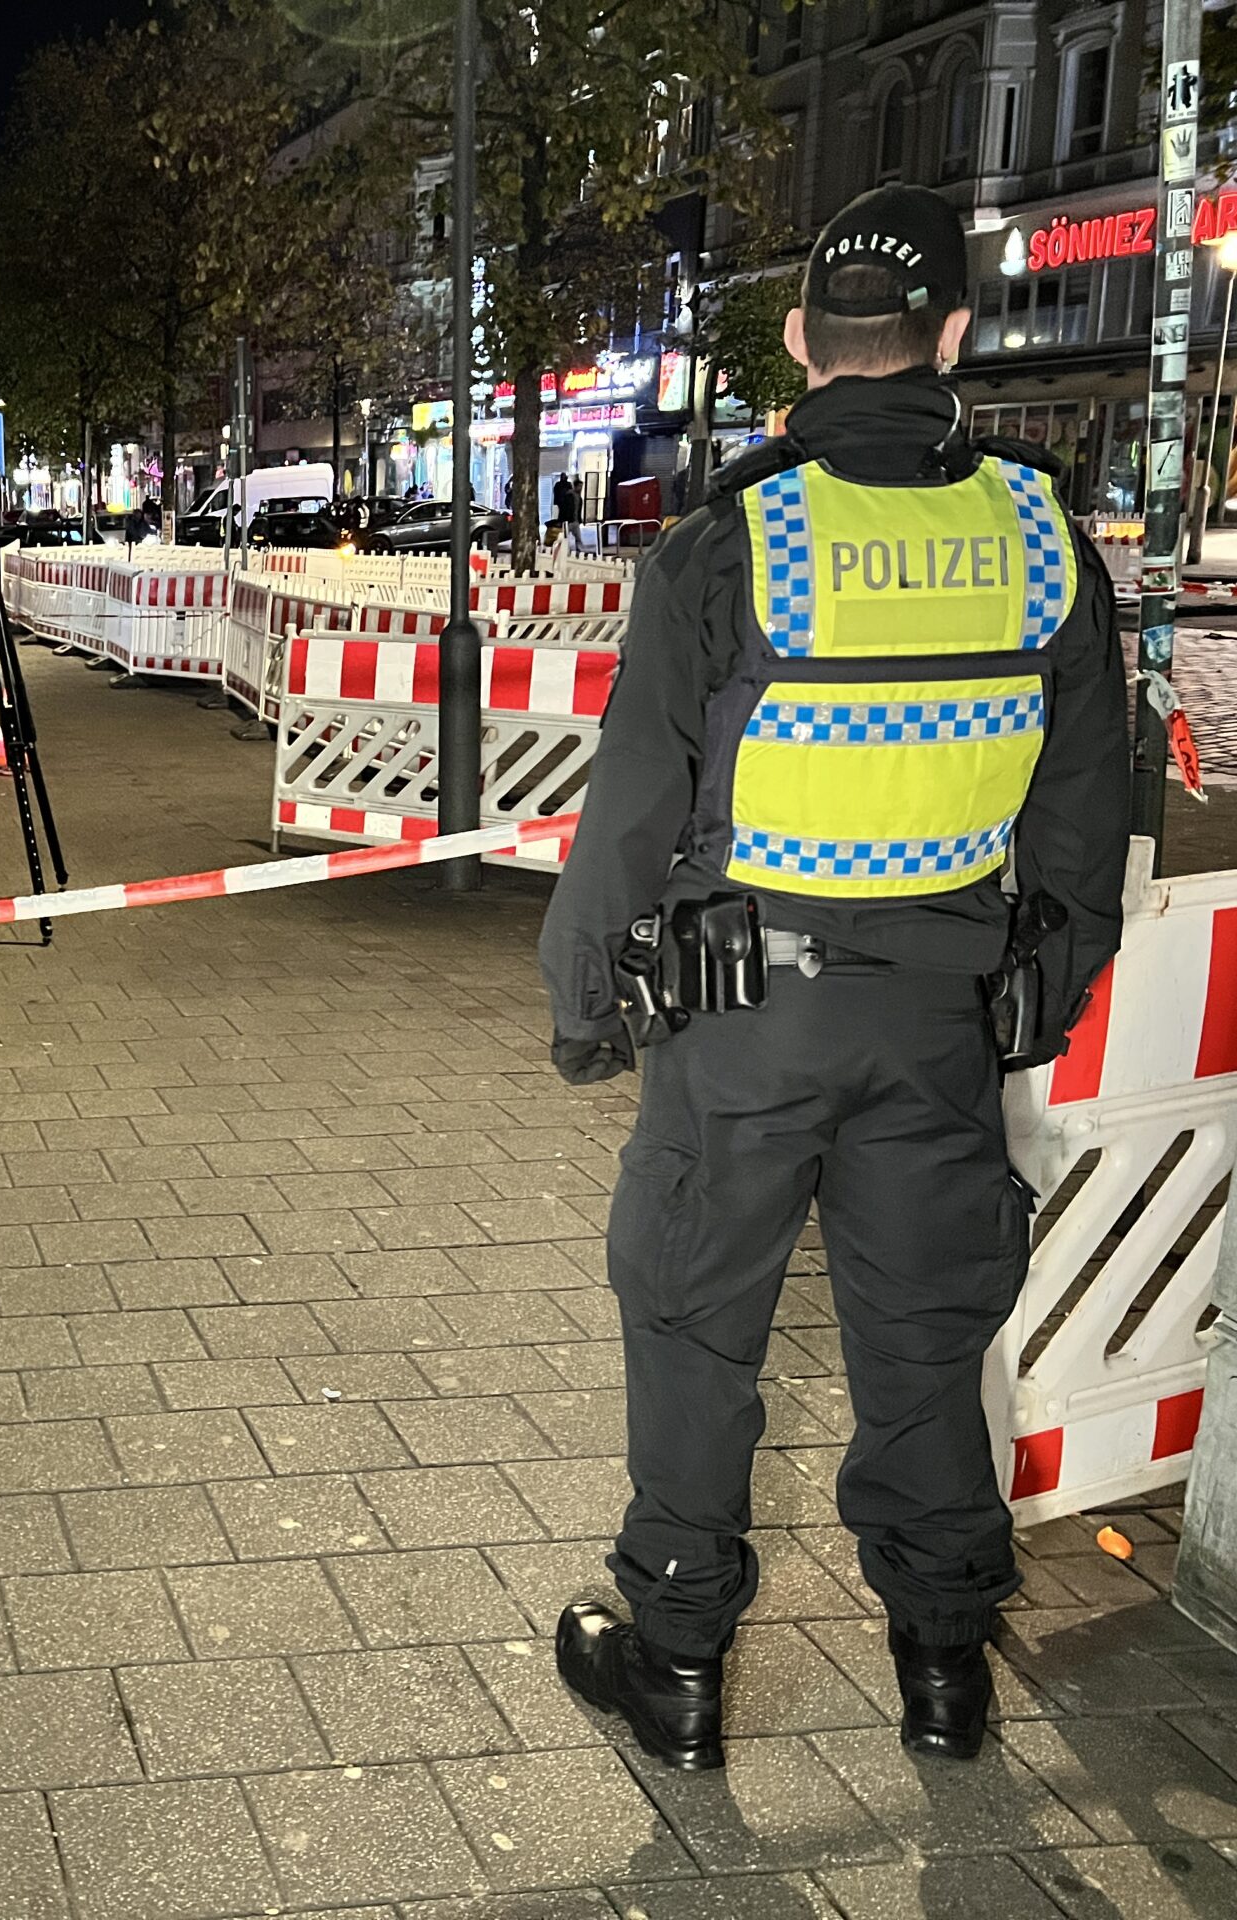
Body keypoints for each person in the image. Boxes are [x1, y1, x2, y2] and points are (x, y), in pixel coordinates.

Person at [536, 185, 1130, 1773]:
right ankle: (946, 1678)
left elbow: (633, 811)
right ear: (953, 337)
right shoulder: (1039, 537)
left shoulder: (735, 544)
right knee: (927, 1342)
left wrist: (587, 1008)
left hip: (739, 1030)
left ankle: (672, 1668)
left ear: (802, 343)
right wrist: (1035, 997)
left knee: (691, 1329)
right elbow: (1085, 822)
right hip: (940, 1026)